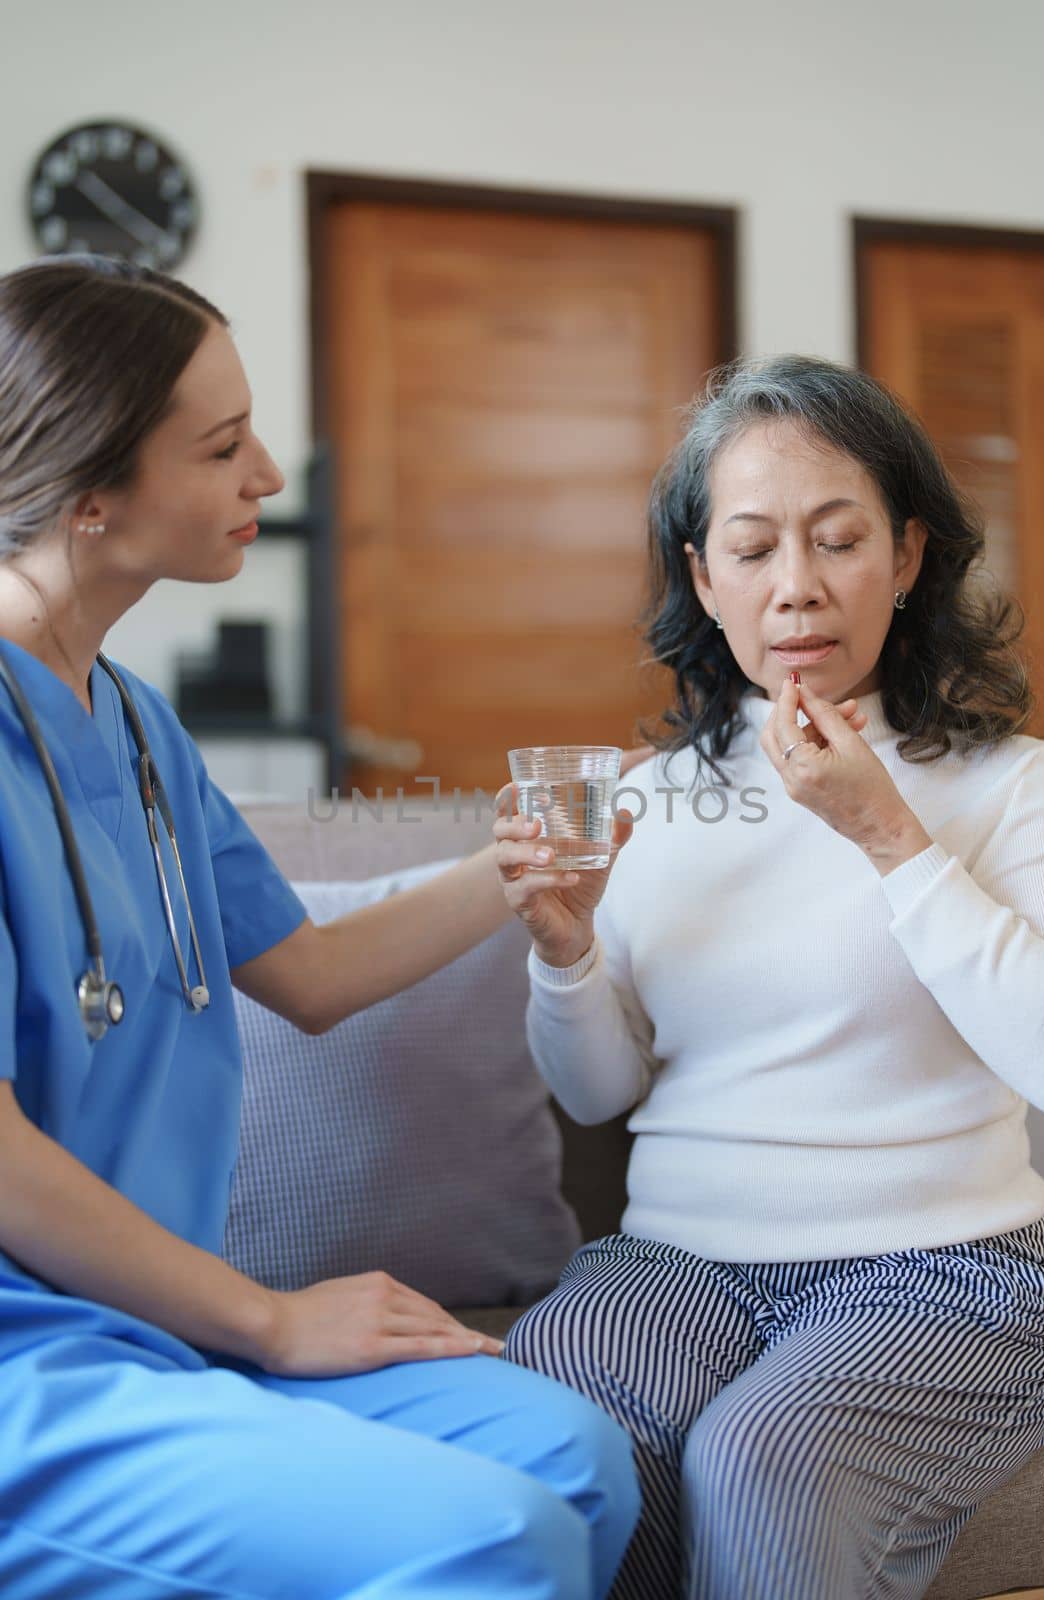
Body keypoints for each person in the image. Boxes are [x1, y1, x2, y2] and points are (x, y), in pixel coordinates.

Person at [0, 255, 642, 1600]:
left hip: (153, 1339)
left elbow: (308, 972)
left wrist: (521, 859)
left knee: (579, 1458)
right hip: (31, 1378)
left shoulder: (135, 725)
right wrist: (271, 1320)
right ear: (87, 490)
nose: (271, 478)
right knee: (489, 1536)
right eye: (223, 447)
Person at [493, 355, 1044, 1600]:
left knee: (762, 1456)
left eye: (837, 539)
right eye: (750, 550)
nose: (796, 589)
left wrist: (886, 837)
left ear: (907, 556)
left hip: (946, 1271)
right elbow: (596, 1093)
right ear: (703, 578)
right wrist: (565, 950)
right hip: (675, 1265)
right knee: (551, 1421)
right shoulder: (646, 800)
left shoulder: (1005, 780)